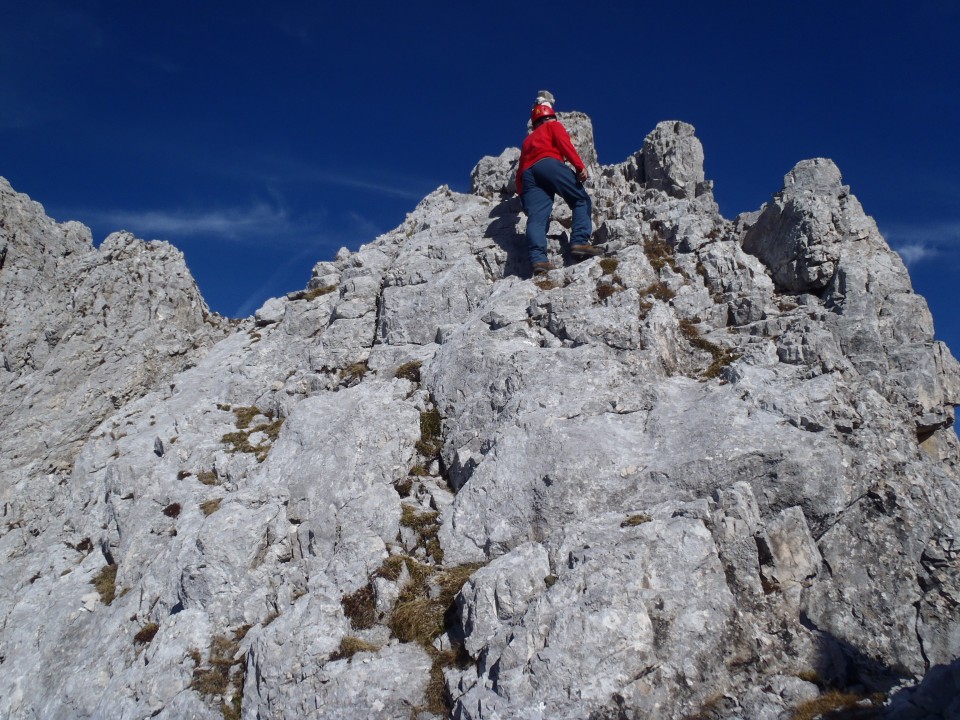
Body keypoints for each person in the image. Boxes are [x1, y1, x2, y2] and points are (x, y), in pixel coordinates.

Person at [516, 92, 602, 274]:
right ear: (550, 115)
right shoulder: (553, 126)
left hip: (528, 175)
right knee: (580, 199)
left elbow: (520, 169)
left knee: (537, 218)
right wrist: (579, 167)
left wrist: (523, 195)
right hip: (549, 163)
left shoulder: (527, 141)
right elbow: (564, 144)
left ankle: (539, 261)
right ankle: (579, 241)